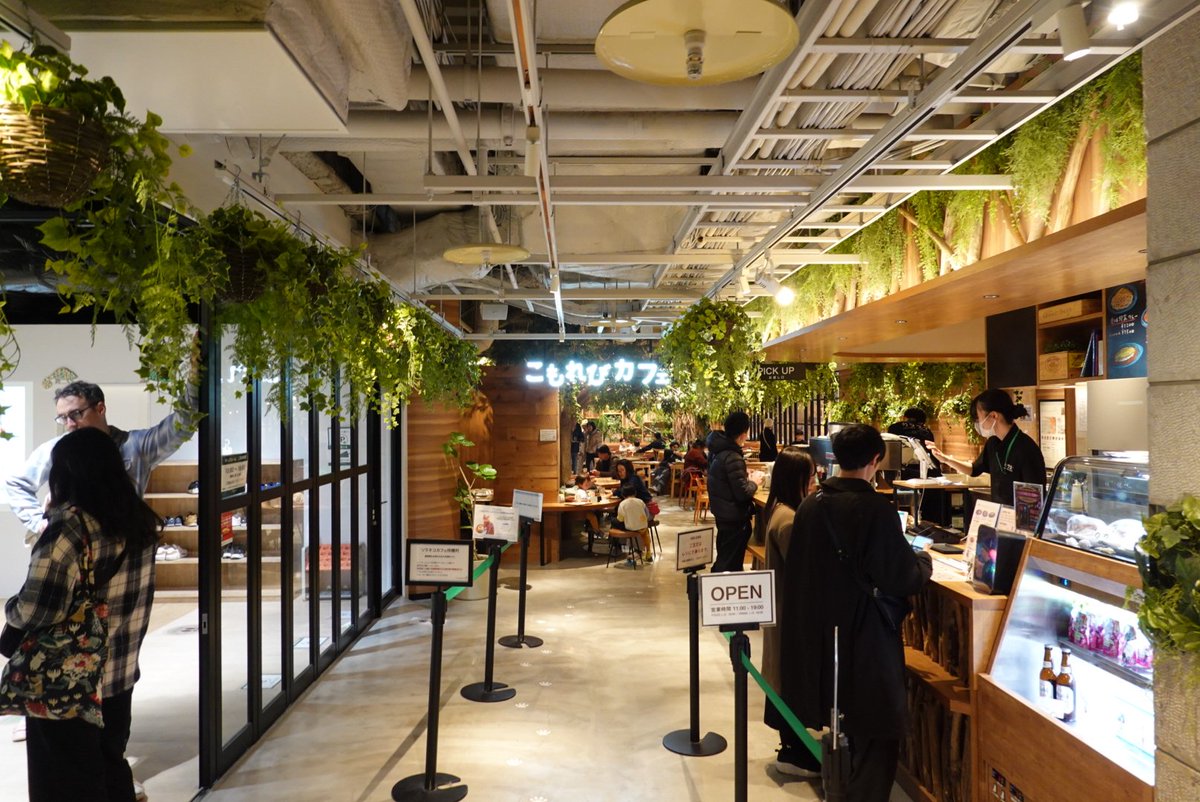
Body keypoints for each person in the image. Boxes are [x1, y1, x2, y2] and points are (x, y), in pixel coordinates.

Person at [6, 427, 162, 802]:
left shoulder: (70, 528)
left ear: (66, 474)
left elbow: (36, 607)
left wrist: (9, 608)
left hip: (69, 681)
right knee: (111, 766)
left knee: (64, 781)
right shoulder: (139, 522)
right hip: (119, 675)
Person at [781, 424, 932, 800]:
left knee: (841, 715)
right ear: (875, 460)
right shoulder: (875, 508)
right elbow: (901, 577)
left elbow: (799, 575)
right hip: (866, 635)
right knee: (878, 724)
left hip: (821, 635)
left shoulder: (811, 506)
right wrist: (924, 562)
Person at [7, 379, 197, 541]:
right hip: (72, 551)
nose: (70, 425)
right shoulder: (57, 449)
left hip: (124, 549)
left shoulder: (135, 445)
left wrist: (195, 380)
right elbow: (15, 484)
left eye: (75, 414)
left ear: (100, 408)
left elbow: (181, 425)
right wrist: (39, 522)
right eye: (63, 418)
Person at [753, 446, 818, 776]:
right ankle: (793, 752)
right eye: (811, 476)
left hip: (781, 610)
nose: (815, 482)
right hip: (789, 613)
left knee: (782, 675)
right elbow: (804, 570)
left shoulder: (778, 510)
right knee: (789, 678)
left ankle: (793, 747)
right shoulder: (790, 519)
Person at [930, 389, 1046, 505]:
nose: (978, 423)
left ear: (993, 416)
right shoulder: (993, 443)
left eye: (979, 418)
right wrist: (946, 459)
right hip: (1000, 516)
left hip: (1021, 519)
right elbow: (974, 470)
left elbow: (1035, 496)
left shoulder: (1026, 448)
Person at [707, 411, 759, 573]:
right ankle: (715, 593)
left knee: (725, 558)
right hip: (734, 518)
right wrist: (754, 482)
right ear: (743, 434)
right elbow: (742, 493)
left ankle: (714, 592)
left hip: (723, 513)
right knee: (729, 564)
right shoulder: (732, 456)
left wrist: (743, 475)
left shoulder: (719, 451)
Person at [887, 407, 941, 479]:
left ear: (905, 417)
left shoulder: (894, 428)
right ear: (923, 421)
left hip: (900, 472)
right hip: (928, 471)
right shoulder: (927, 432)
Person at [613, 484, 651, 565]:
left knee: (614, 521)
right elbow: (647, 514)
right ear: (635, 493)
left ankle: (623, 549)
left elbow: (620, 519)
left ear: (623, 495)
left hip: (631, 528)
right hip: (643, 527)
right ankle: (647, 552)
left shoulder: (622, 504)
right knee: (644, 534)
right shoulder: (640, 501)